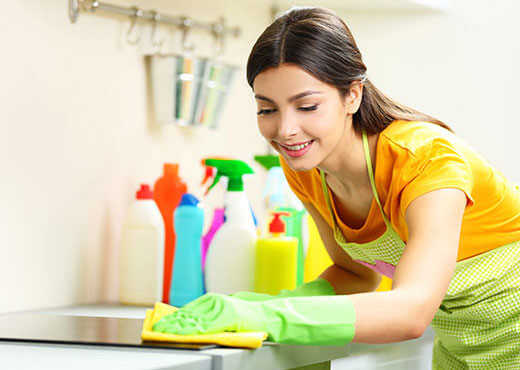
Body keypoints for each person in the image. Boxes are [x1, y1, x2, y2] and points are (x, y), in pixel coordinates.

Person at [153, 6, 520, 369]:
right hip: (462, 348)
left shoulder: (424, 159)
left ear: (353, 95)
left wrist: (270, 316)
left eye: (307, 106)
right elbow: (355, 274)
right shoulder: (307, 167)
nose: (285, 130)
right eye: (267, 110)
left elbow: (412, 310)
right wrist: (260, 305)